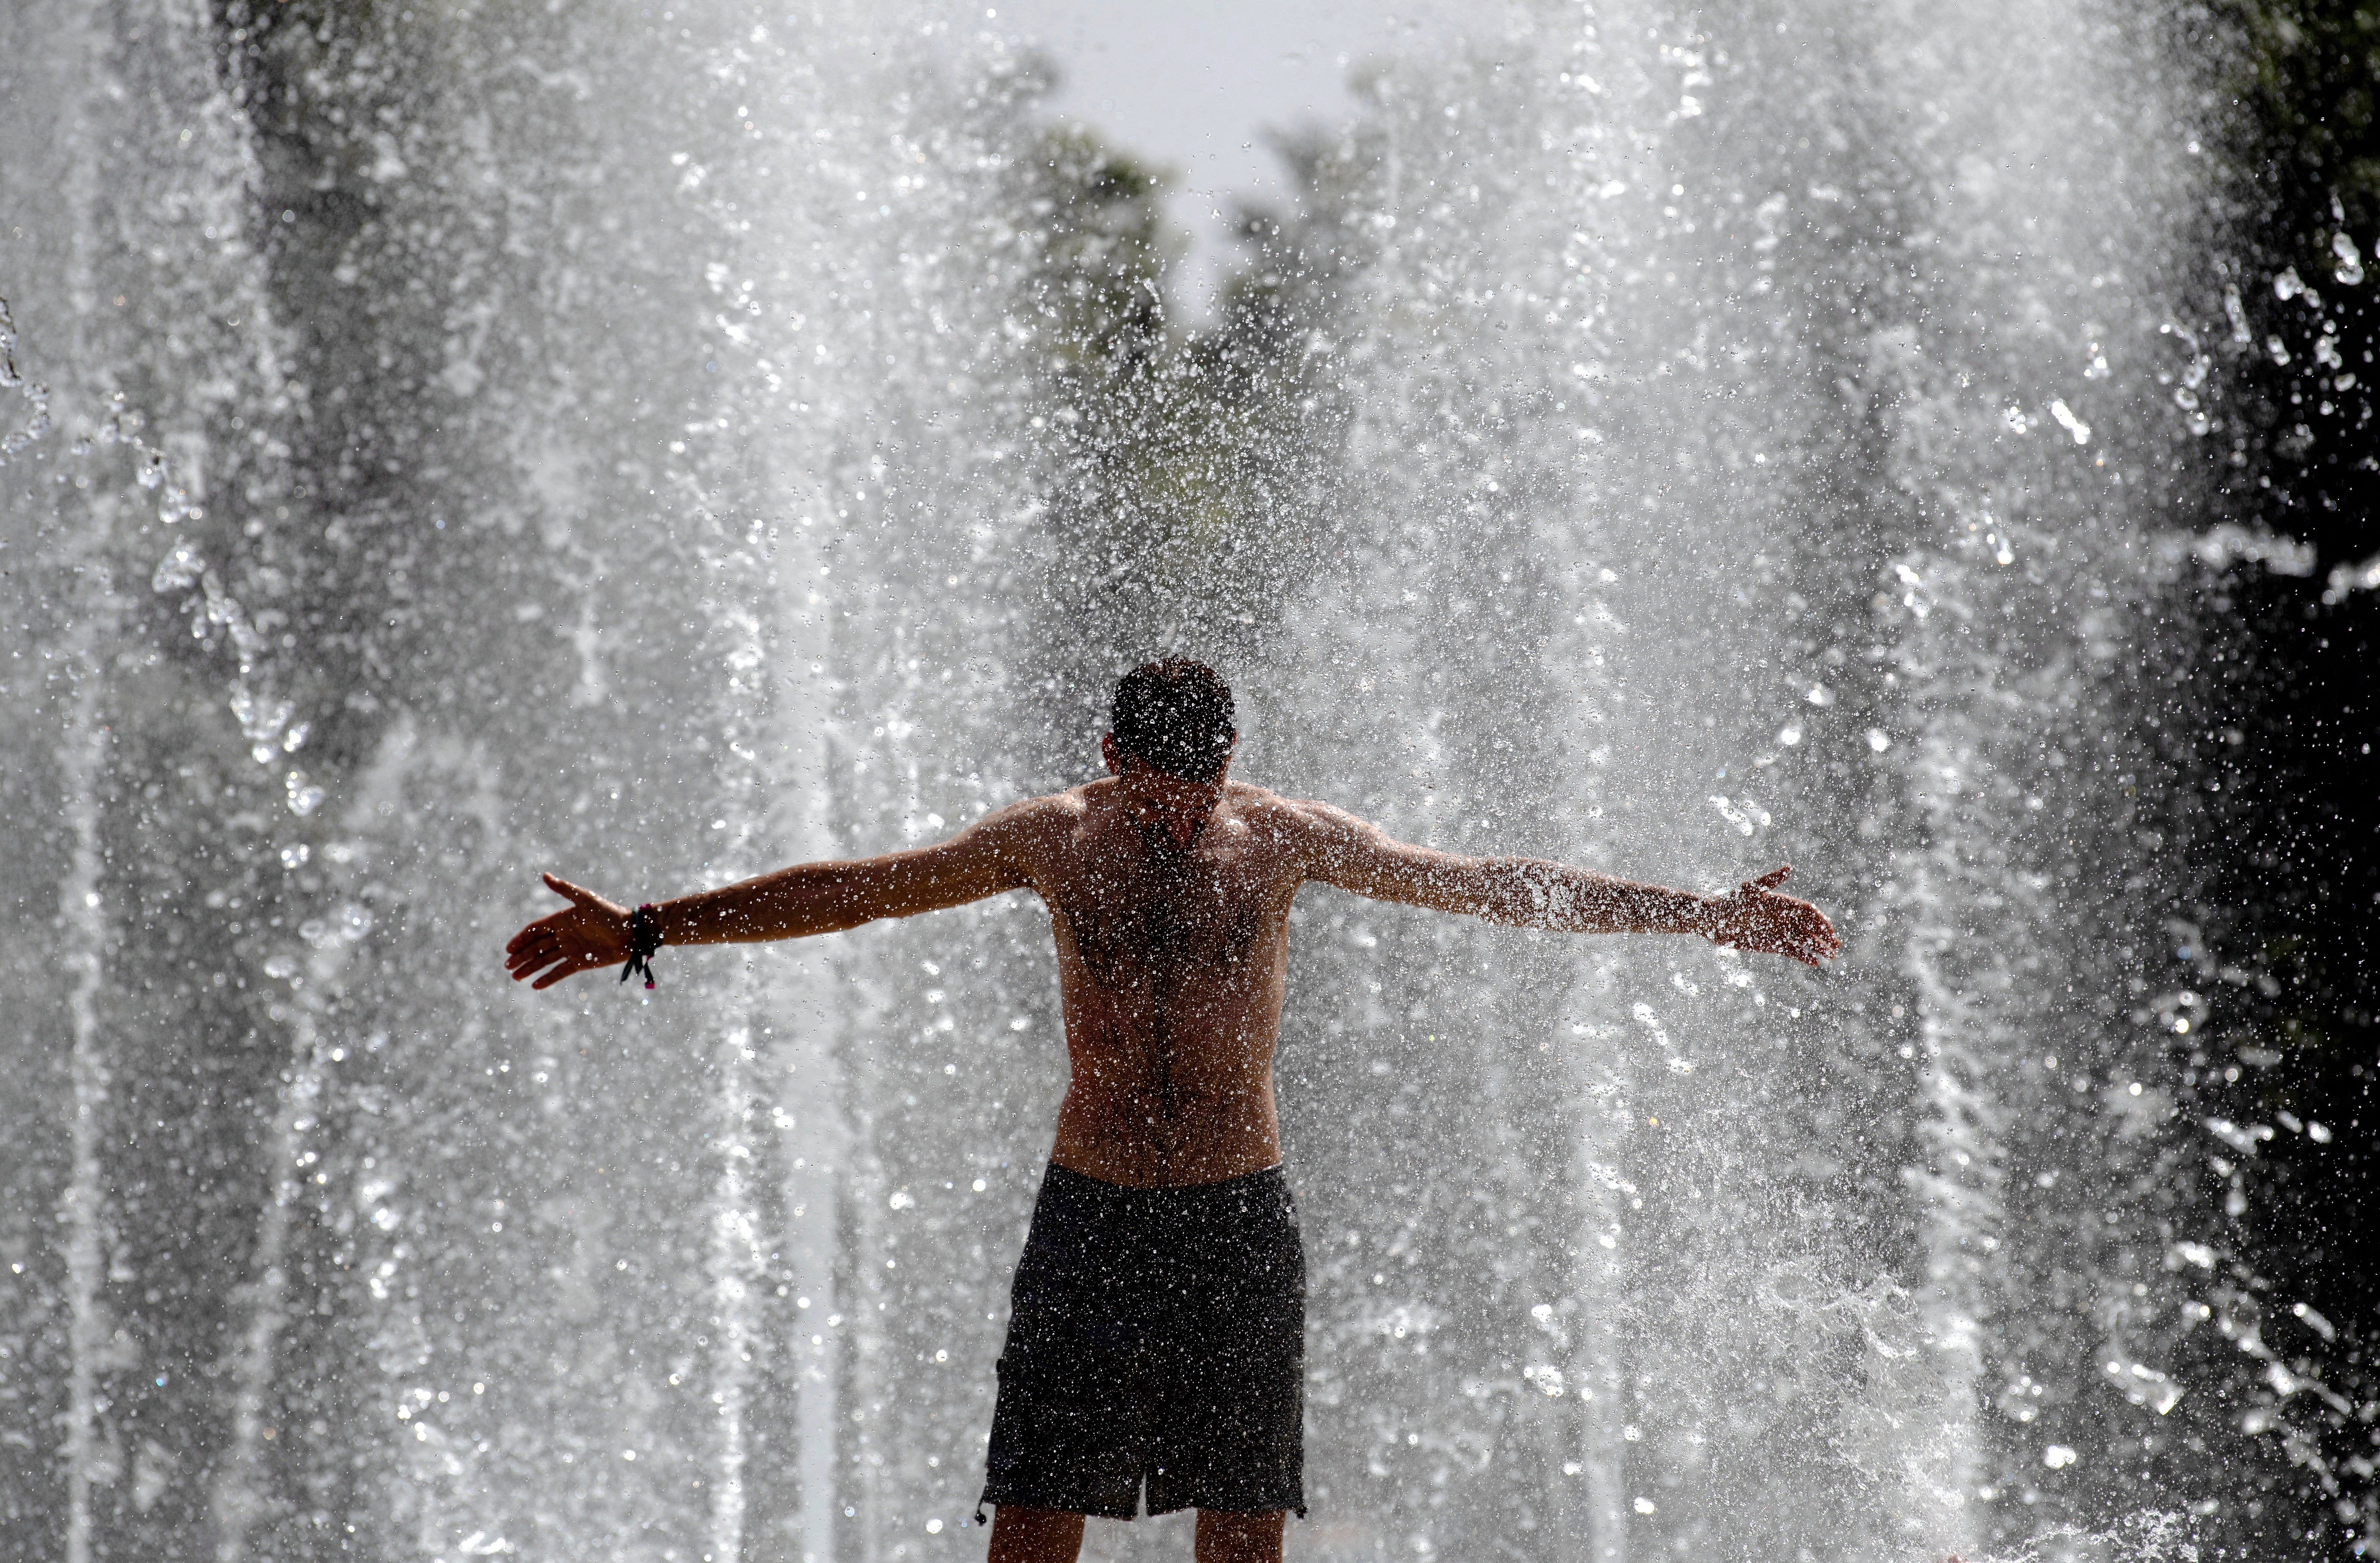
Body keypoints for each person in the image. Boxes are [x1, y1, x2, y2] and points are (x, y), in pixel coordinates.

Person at [504, 658, 1839, 1563]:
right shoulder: (1050, 838)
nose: (1175, 817)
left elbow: (1491, 882)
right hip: (1088, 1216)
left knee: (1244, 1533)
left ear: (1228, 767)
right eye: (1153, 790)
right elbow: (859, 889)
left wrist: (1705, 915)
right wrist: (651, 927)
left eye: (1195, 792)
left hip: (1236, 1218)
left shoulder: (1283, 839)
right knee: (1030, 1525)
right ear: (1110, 758)